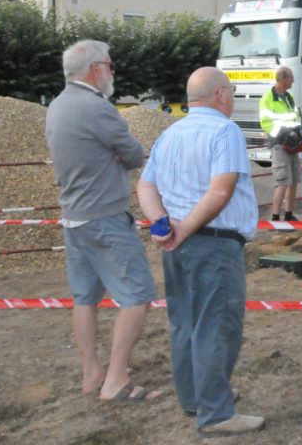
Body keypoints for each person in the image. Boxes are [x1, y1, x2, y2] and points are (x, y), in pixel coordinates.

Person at [137, 67, 264, 436]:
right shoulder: (226, 131)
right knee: (217, 326)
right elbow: (220, 191)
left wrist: (163, 225)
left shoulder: (170, 133)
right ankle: (216, 413)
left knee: (185, 323)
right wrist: (184, 229)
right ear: (221, 93)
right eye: (233, 93)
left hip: (178, 245)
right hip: (213, 243)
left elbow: (145, 187)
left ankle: (197, 398)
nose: (234, 100)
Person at [44, 39, 159, 401]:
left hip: (74, 217)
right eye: (109, 65)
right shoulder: (96, 108)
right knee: (138, 294)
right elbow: (134, 154)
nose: (112, 72)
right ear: (95, 69)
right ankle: (116, 380)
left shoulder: (58, 105)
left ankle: (92, 372)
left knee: (85, 297)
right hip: (105, 217)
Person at [259, 66, 302, 221]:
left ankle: (289, 214)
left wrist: (299, 129)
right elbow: (266, 124)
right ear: (284, 79)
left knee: (294, 180)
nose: (292, 80)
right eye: (291, 78)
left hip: (292, 143)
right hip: (279, 144)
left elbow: (294, 117)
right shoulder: (267, 99)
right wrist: (285, 133)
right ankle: (276, 217)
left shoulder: (288, 97)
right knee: (282, 181)